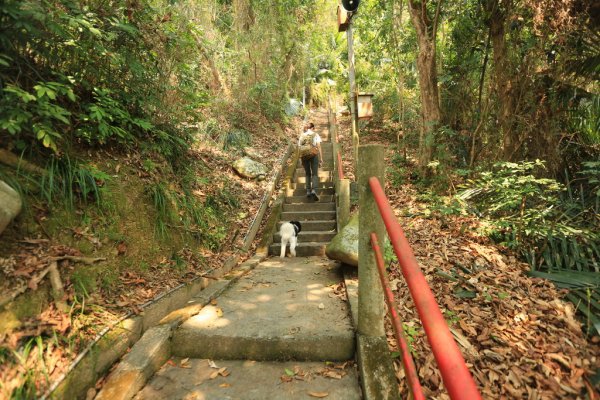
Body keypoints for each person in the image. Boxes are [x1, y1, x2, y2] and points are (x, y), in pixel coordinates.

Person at [298, 122, 323, 201]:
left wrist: (300, 158)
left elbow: (299, 147)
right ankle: (314, 190)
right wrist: (321, 158)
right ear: (312, 128)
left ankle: (308, 191)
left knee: (307, 173)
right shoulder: (315, 135)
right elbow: (318, 146)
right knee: (314, 173)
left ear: (307, 128)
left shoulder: (302, 135)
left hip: (304, 156)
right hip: (313, 154)